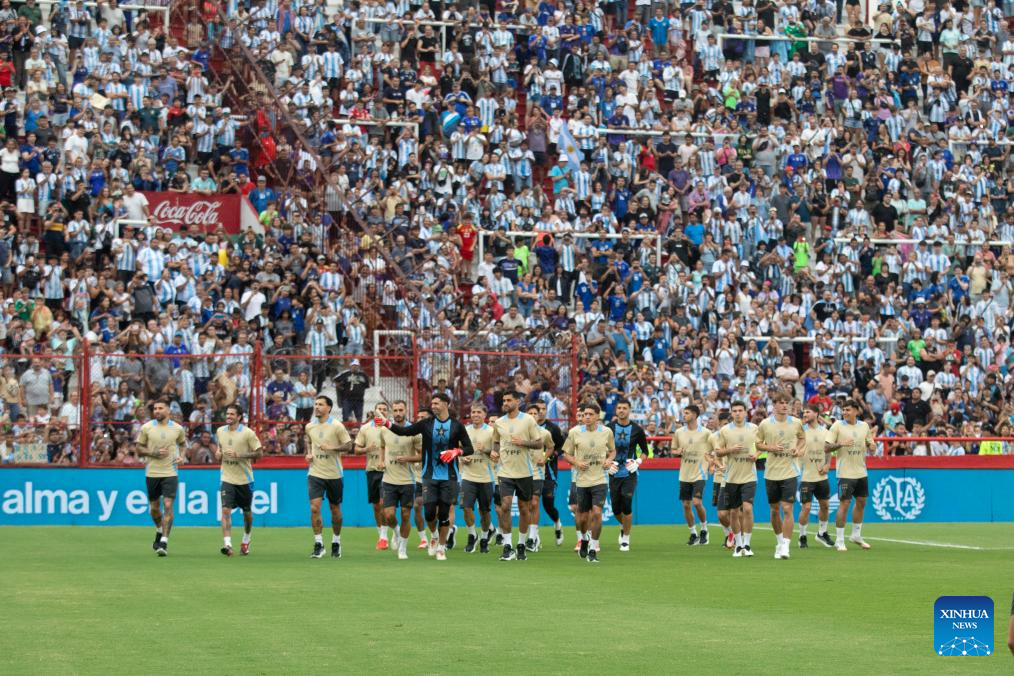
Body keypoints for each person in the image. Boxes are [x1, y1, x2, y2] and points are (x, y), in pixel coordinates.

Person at [378, 393, 475, 561]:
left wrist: (456, 451)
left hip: (449, 476)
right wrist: (386, 422)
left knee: (444, 514)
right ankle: (435, 536)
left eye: (436, 403)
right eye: (432, 403)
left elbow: (469, 448)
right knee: (429, 514)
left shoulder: (457, 426)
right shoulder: (426, 424)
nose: (433, 406)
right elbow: (404, 431)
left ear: (446, 404)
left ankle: (441, 548)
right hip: (429, 476)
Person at [490, 390, 544, 561]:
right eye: (504, 400)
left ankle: (521, 544)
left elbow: (539, 443)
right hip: (505, 472)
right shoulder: (499, 422)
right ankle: (507, 546)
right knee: (505, 506)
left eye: (508, 400)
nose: (505, 403)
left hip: (525, 472)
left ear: (518, 402)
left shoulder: (528, 420)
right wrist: (494, 451)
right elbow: (496, 441)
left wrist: (523, 442)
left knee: (524, 508)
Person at [561, 402, 616, 563]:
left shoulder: (606, 432)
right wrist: (576, 462)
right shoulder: (575, 432)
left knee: (597, 513)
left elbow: (612, 451)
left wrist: (609, 460)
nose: (586, 417)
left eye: (590, 414)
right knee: (582, 517)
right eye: (585, 414)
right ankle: (584, 539)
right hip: (581, 481)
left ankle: (593, 547)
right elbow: (566, 454)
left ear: (598, 416)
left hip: (600, 479)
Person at [755, 392, 806, 560]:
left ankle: (785, 545)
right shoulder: (765, 424)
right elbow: (758, 444)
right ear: (774, 405)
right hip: (771, 472)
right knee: (775, 509)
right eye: (781, 403)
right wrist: (770, 448)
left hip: (790, 471)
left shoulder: (796, 422)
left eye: (787, 403)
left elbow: (802, 439)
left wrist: (798, 449)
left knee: (787, 508)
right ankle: (779, 542)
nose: (784, 405)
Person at [135, 399, 188, 557]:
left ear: (168, 410)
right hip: (152, 473)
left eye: (160, 408)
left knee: (168, 505)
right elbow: (139, 448)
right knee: (154, 509)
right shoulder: (147, 427)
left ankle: (164, 541)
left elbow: (183, 444)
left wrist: (182, 456)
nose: (157, 411)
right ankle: (159, 530)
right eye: (155, 408)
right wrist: (154, 453)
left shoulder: (177, 428)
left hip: (170, 472)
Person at [305, 395, 354, 559]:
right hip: (315, 473)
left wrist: (332, 448)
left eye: (320, 404)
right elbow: (308, 441)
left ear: (329, 408)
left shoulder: (337, 426)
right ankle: (319, 544)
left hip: (334, 474)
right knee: (314, 508)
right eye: (315, 404)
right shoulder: (310, 426)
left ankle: (336, 541)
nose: (317, 407)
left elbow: (349, 445)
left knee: (335, 509)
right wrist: (308, 453)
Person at [826, 399, 875, 552]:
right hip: (845, 473)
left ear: (856, 411)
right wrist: (841, 444)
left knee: (861, 502)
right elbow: (826, 447)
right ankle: (840, 540)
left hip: (861, 471)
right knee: (845, 503)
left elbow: (870, 443)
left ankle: (856, 535)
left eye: (848, 410)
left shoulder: (864, 426)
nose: (845, 412)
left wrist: (872, 446)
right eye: (844, 410)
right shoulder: (837, 426)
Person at [214, 404, 263, 556]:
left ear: (239, 417)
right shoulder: (220, 431)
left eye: (232, 414)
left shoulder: (248, 433)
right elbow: (219, 449)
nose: (228, 416)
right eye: (227, 413)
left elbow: (259, 453)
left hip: (244, 479)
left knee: (247, 513)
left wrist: (239, 455)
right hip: (227, 477)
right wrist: (218, 454)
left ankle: (246, 540)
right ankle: (227, 544)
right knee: (225, 510)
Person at [714, 401, 759, 558]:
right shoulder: (725, 430)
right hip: (731, 477)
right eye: (735, 411)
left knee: (747, 508)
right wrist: (730, 450)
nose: (738, 413)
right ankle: (738, 545)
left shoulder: (754, 428)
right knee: (733, 511)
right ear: (731, 413)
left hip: (749, 476)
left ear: (746, 412)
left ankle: (747, 544)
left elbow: (763, 445)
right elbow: (718, 452)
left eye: (740, 410)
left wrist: (757, 455)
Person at [379, 401, 422, 560]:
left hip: (407, 480)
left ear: (406, 410)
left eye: (400, 410)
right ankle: (396, 532)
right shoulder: (384, 429)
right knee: (388, 515)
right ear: (392, 412)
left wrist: (408, 458)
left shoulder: (414, 431)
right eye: (395, 410)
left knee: (405, 515)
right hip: (389, 479)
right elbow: (382, 446)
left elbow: (422, 455)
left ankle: (402, 548)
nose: (398, 413)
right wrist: (381, 461)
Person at [607, 399, 648, 552]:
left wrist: (638, 462)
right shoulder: (608, 428)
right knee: (616, 508)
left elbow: (645, 451)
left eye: (624, 408)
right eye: (619, 408)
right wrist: (607, 464)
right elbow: (601, 449)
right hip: (613, 472)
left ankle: (626, 538)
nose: (622, 410)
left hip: (629, 472)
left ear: (630, 410)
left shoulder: (637, 430)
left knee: (627, 501)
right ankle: (623, 526)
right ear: (616, 410)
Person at [673, 404, 712, 546]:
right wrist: (678, 452)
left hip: (700, 473)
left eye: (687, 413)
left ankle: (704, 529)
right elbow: (673, 450)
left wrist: (711, 464)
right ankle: (693, 533)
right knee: (686, 505)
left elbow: (713, 451)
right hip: (684, 474)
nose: (684, 415)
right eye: (684, 413)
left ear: (695, 415)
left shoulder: (706, 433)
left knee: (697, 502)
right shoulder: (679, 432)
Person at [354, 402, 390, 550]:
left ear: (388, 413)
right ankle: (381, 534)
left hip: (388, 471)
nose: (382, 411)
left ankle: (384, 537)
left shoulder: (392, 428)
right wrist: (366, 449)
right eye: (379, 409)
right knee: (376, 506)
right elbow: (356, 449)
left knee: (384, 504)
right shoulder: (366, 428)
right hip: (371, 470)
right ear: (375, 412)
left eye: (384, 409)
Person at [798, 404, 834, 548]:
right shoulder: (801, 432)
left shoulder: (825, 432)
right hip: (806, 476)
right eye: (804, 412)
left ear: (816, 414)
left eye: (808, 412)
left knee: (825, 506)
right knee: (806, 508)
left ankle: (822, 533)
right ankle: (802, 536)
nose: (805, 414)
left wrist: (827, 465)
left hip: (821, 476)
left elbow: (828, 450)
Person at [461, 403, 495, 553]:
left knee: (484, 511)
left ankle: (484, 538)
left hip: (486, 477)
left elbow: (497, 454)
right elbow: (459, 449)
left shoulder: (491, 432)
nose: (475, 414)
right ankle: (472, 535)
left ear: (484, 415)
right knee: (466, 507)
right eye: (473, 412)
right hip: (468, 476)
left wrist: (485, 450)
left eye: (478, 412)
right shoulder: (465, 430)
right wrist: (463, 458)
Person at [525, 403, 554, 552]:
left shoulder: (544, 433)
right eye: (529, 413)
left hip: (537, 472)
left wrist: (545, 457)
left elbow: (551, 447)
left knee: (534, 503)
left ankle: (532, 538)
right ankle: (533, 533)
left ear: (538, 416)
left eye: (534, 414)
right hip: (522, 472)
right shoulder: (520, 432)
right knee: (525, 506)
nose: (532, 416)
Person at [535, 401, 565, 546]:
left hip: (549, 472)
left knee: (548, 506)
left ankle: (557, 524)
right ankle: (534, 537)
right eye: (538, 409)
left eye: (543, 409)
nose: (540, 412)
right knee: (531, 504)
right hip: (530, 471)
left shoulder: (553, 428)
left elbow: (562, 447)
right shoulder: (526, 428)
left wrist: (552, 455)